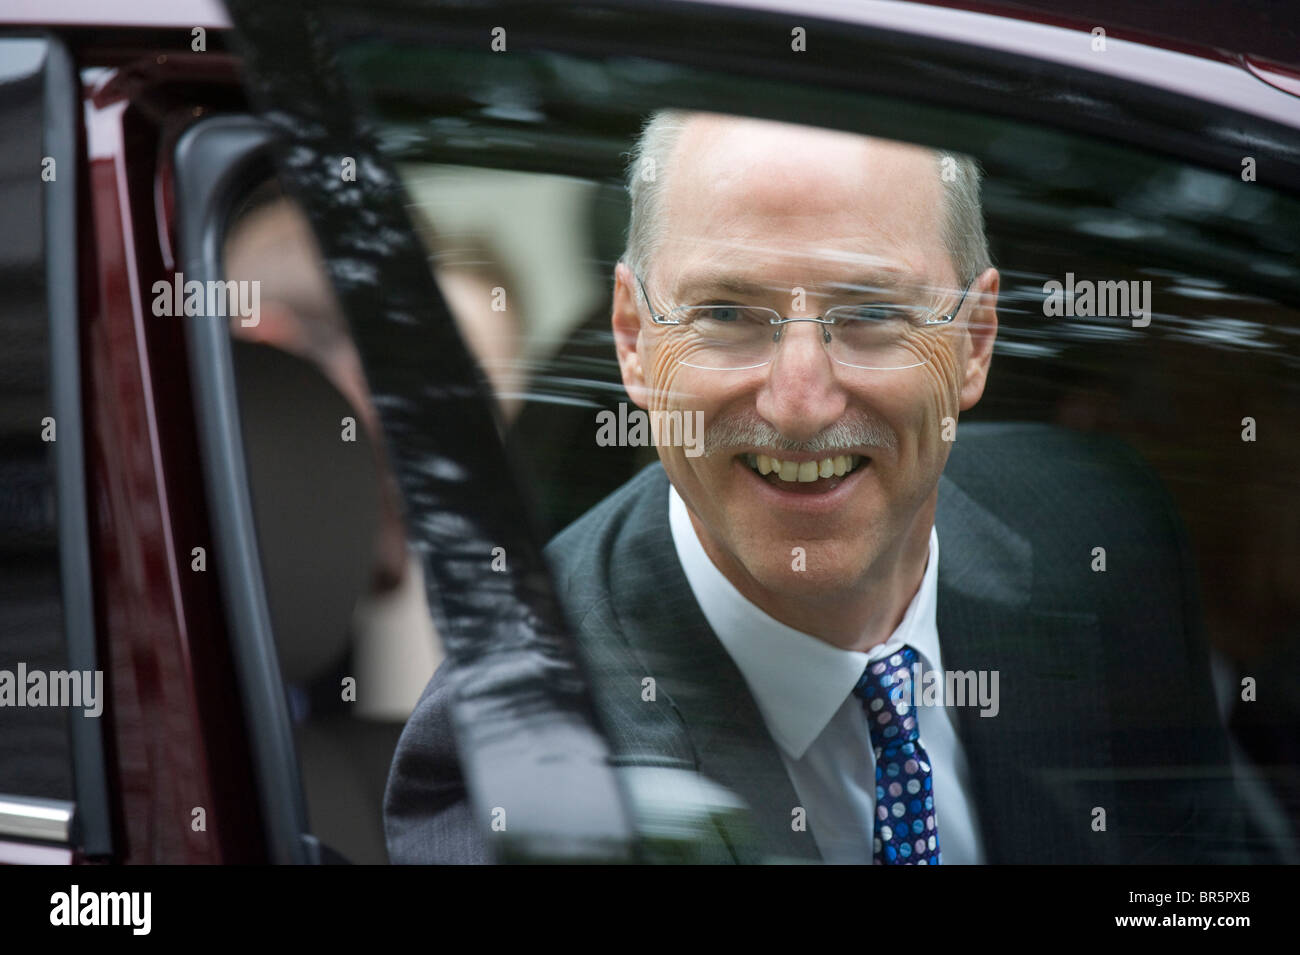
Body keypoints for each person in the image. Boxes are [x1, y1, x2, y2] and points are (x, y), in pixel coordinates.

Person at [384, 110, 1260, 864]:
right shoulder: (516, 748)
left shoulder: (1099, 533)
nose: (799, 402)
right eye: (726, 313)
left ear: (978, 341)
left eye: (872, 313)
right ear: (632, 338)